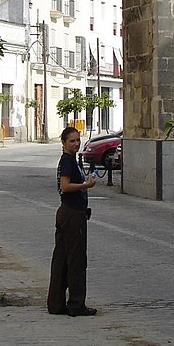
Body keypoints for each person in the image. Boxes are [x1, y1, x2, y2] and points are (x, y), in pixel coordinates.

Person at [47, 126, 98, 316]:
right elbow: (65, 186)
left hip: (70, 213)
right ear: (63, 143)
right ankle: (76, 304)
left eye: (78, 140)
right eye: (72, 141)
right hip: (72, 214)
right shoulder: (67, 161)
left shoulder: (71, 160)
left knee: (61, 259)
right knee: (76, 260)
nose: (76, 144)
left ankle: (56, 303)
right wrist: (87, 185)